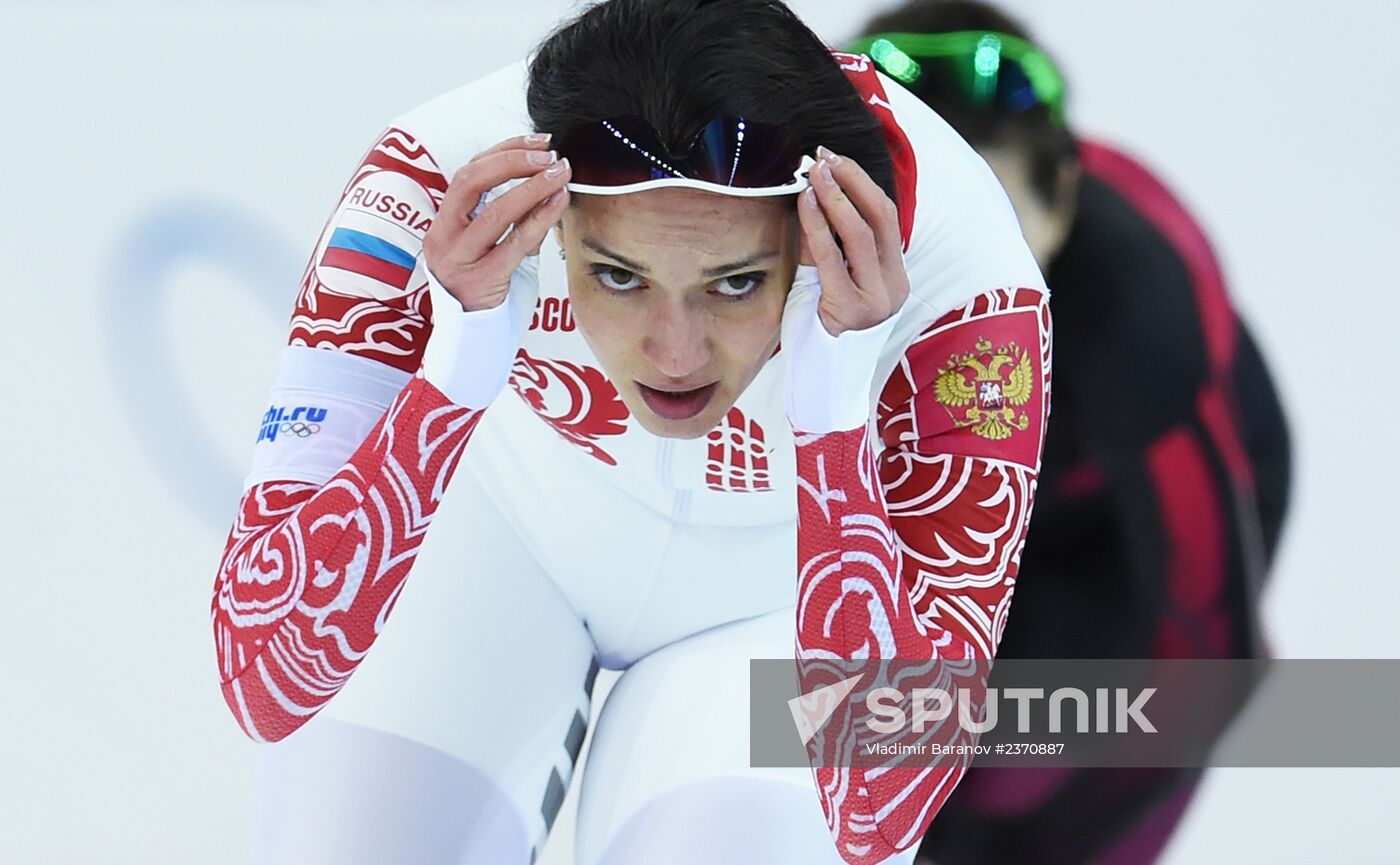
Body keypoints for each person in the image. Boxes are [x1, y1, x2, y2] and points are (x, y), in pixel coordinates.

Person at [211, 1, 1053, 863]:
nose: (674, 353)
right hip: (501, 528)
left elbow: (882, 805)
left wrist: (836, 415)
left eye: (734, 283)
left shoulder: (966, 293)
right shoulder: (432, 186)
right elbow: (264, 678)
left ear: (809, 249)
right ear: (555, 225)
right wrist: (450, 380)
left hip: (769, 609)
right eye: (617, 275)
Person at [844, 3, 1292, 863]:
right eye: (904, 222)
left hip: (1099, 534)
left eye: (989, 232)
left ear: (1064, 202)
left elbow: (1208, 644)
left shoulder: (1139, 324)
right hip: (970, 511)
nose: (943, 281)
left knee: (1007, 767)